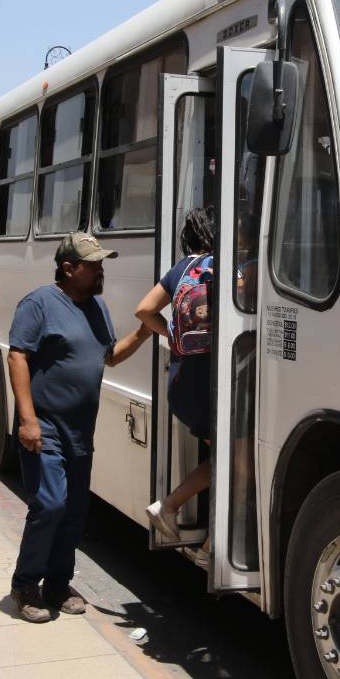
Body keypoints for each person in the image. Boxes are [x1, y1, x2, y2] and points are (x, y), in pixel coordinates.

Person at [8, 232, 152, 623]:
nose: (101, 270)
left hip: (79, 431)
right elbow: (18, 356)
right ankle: (25, 585)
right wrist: (28, 419)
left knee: (74, 511)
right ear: (69, 268)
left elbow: (110, 357)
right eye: (94, 265)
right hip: (45, 427)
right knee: (50, 505)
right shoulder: (39, 303)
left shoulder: (96, 307)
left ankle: (57, 584)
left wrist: (143, 332)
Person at [136, 207, 215, 560]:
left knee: (230, 460)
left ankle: (207, 539)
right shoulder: (227, 266)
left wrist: (171, 331)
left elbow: (143, 310)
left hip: (181, 383)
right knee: (238, 462)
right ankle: (174, 512)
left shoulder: (181, 270)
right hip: (209, 384)